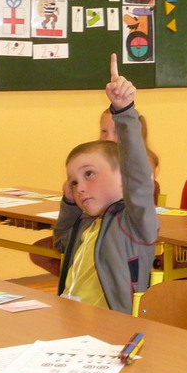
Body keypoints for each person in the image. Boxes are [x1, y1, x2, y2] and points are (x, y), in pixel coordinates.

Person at [3, 54, 159, 373]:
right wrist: (72, 195)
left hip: (110, 343)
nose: (80, 186)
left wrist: (124, 114)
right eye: (74, 181)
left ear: (123, 179)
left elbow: (138, 178)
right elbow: (61, 229)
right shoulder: (84, 226)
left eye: (90, 175)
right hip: (70, 333)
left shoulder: (133, 224)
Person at [29, 106, 159, 276]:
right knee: (42, 252)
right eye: (104, 131)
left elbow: (139, 188)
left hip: (120, 241)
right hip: (92, 232)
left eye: (89, 174)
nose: (109, 137)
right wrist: (70, 201)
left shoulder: (128, 223)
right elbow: (61, 241)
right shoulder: (87, 224)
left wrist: (124, 109)